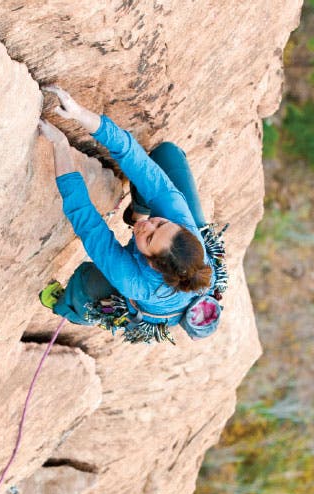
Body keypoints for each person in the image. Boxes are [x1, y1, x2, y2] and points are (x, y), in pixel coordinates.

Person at [38, 86, 227, 343]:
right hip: (183, 263)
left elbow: (87, 222)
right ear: (182, 228)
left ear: (150, 262)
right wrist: (80, 114)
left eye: (149, 238)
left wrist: (60, 145)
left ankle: (66, 306)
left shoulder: (136, 283)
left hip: (149, 306)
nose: (149, 225)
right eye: (160, 223)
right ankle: (138, 209)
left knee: (87, 284)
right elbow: (133, 156)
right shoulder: (181, 222)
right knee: (166, 155)